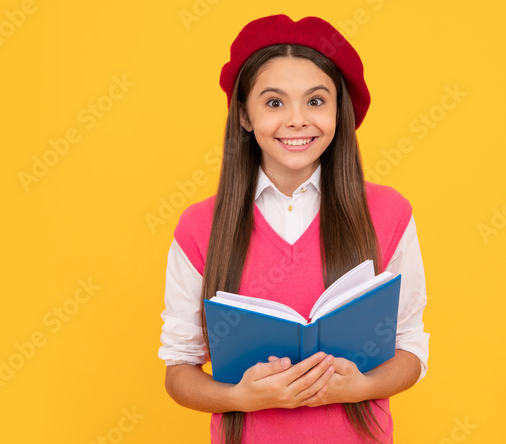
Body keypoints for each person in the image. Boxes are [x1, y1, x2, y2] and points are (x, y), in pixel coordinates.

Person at [157, 14, 430, 444]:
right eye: (274, 102)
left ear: (339, 111)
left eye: (316, 101)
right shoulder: (199, 227)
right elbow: (179, 370)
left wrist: (361, 387)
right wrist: (241, 397)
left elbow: (410, 347)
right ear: (245, 116)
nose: (297, 120)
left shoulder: (388, 212)